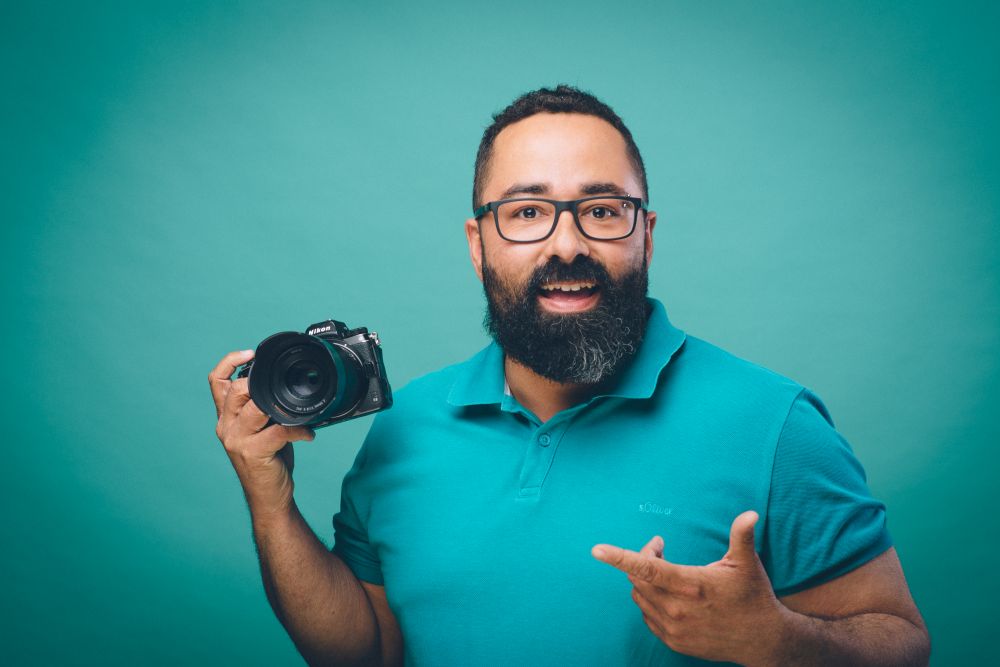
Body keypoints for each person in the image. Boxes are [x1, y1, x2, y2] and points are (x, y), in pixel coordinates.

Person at [208, 85, 930, 666]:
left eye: (601, 209)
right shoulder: (404, 425)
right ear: (477, 242)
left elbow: (904, 641)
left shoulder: (775, 423)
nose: (566, 243)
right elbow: (367, 651)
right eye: (526, 211)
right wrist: (270, 501)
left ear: (645, 233)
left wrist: (777, 641)